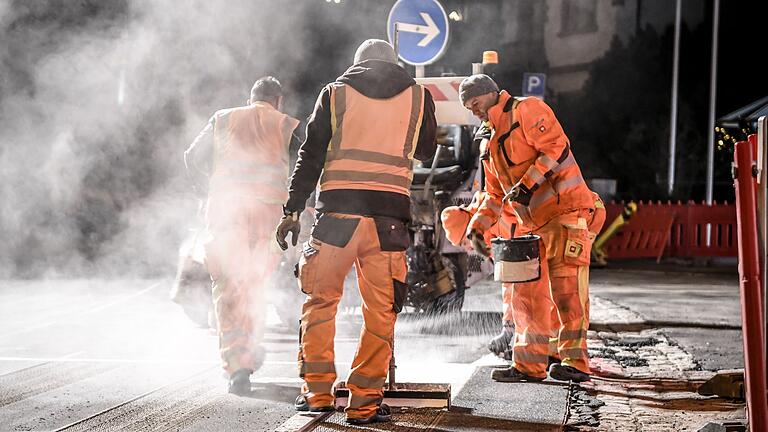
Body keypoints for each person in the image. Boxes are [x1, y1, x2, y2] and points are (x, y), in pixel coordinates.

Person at [275, 39, 436, 424]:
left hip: (336, 222)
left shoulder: (335, 93)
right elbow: (427, 151)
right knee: (380, 312)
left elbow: (310, 155)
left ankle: (316, 395)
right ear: (395, 63)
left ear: (357, 64)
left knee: (320, 303)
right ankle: (363, 404)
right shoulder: (418, 97)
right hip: (388, 224)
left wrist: (293, 211)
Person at [458, 74, 604, 383]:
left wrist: (526, 186)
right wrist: (476, 228)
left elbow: (556, 147)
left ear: (491, 94)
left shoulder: (527, 109)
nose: (475, 111)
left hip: (567, 211)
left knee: (568, 292)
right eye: (469, 108)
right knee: (526, 295)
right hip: (534, 225)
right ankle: (528, 365)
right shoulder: (490, 140)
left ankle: (575, 362)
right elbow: (494, 195)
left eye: (476, 104)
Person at [184, 76, 300, 395]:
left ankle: (236, 365)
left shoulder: (224, 118)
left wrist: (207, 190)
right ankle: (247, 355)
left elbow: (190, 157)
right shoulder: (284, 123)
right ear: (278, 100)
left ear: (251, 98)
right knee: (254, 285)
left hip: (226, 210)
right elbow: (306, 164)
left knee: (227, 287)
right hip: (267, 215)